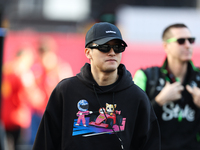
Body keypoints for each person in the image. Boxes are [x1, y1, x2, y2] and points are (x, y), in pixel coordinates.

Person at [32, 22, 160, 150]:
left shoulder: (137, 97)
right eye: (105, 47)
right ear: (88, 52)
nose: (112, 52)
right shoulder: (66, 91)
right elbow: (46, 143)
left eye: (117, 47)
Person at [133, 23, 200, 150]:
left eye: (191, 40)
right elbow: (132, 121)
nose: (188, 45)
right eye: (181, 41)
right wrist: (159, 101)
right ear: (166, 46)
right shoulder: (146, 76)